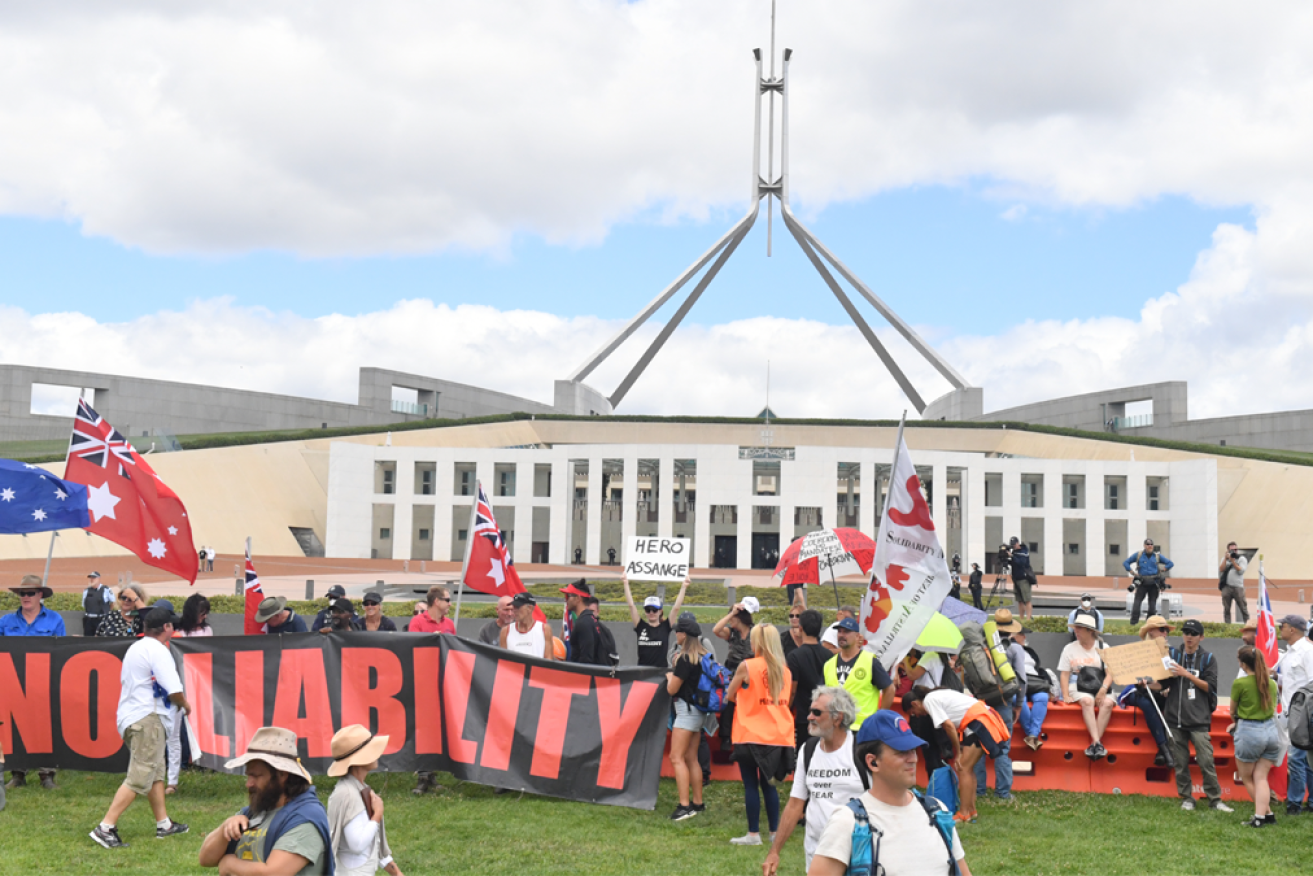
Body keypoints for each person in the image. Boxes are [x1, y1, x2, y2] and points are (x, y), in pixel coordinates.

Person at [807, 709, 970, 876]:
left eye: (913, 750)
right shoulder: (847, 822)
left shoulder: (937, 812)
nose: (913, 758)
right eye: (902, 752)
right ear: (873, 762)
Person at [90, 603, 192, 848]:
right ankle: (105, 827)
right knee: (141, 775)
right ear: (166, 628)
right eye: (172, 625)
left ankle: (164, 824)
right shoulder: (159, 651)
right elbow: (174, 690)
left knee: (156, 773)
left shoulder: (137, 647)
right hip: (148, 718)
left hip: (133, 716)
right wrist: (186, 706)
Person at [198, 726, 331, 875]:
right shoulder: (256, 811)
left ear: (282, 774)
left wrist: (229, 864)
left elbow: (274, 873)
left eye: (256, 776)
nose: (249, 783)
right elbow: (205, 859)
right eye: (248, 775)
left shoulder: (305, 819)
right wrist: (224, 829)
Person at [763, 687, 863, 876]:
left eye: (816, 712)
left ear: (838, 717)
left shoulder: (861, 751)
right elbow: (795, 804)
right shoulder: (808, 751)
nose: (809, 717)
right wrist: (774, 852)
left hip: (856, 852)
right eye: (810, 711)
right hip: (817, 851)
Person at [726, 624, 795, 846]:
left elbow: (730, 694)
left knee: (750, 784)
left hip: (750, 732)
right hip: (778, 735)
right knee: (770, 784)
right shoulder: (785, 670)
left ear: (758, 643)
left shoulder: (747, 666)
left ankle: (753, 834)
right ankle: (774, 832)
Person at [902, 686, 1009, 824]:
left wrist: (958, 753)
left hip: (978, 723)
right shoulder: (935, 696)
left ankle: (964, 813)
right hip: (981, 720)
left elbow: (949, 726)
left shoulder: (929, 701)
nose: (917, 715)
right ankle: (971, 810)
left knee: (963, 768)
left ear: (914, 704)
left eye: (913, 712)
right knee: (967, 769)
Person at [2, 574, 65, 791]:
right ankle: (17, 773)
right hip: (12, 683)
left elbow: (62, 652)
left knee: (44, 727)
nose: (25, 597)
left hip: (42, 682)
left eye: (30, 593)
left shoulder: (55, 620)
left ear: (40, 595)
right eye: (22, 593)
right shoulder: (5, 622)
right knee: (14, 728)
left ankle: (46, 773)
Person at [1163, 618, 1230, 812]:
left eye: (1193, 634)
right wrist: (1148, 683)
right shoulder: (1172, 654)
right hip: (1174, 718)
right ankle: (1186, 797)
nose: (1189, 637)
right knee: (1180, 761)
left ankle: (1215, 799)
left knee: (1206, 760)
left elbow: (1210, 687)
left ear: (1201, 637)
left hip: (1199, 719)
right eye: (1185, 633)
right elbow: (1164, 683)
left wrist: (1187, 674)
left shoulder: (1208, 658)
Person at [327, 725, 403, 876]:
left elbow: (371, 846)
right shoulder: (348, 794)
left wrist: (396, 872)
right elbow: (357, 844)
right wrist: (377, 814)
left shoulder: (357, 789)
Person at [665, 612, 716, 821]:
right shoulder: (704, 656)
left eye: (678, 631)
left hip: (686, 711)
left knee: (676, 757)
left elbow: (671, 689)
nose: (675, 634)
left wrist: (670, 675)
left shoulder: (685, 659)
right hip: (700, 711)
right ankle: (697, 802)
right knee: (692, 758)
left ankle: (685, 806)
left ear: (684, 635)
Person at [1230, 645, 1279, 826]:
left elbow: (1233, 710)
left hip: (1249, 731)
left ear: (1243, 664)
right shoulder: (1271, 683)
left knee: (1247, 778)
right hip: (1271, 731)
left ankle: (1261, 817)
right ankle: (1267, 816)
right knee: (1261, 777)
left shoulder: (1240, 683)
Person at [168, 594, 213, 794]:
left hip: (200, 682)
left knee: (200, 721)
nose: (203, 618)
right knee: (178, 727)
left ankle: (202, 759)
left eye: (206, 614)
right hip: (180, 682)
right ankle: (183, 761)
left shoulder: (207, 630)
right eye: (201, 613)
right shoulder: (177, 632)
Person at [822, 617, 895, 732]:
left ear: (857, 636)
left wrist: (880, 717)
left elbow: (889, 689)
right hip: (835, 728)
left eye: (846, 632)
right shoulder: (828, 664)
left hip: (862, 728)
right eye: (839, 631)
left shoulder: (870, 661)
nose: (841, 635)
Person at [1119, 616, 1175, 766]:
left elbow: (1169, 676)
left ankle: (1162, 752)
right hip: (1137, 690)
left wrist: (1166, 687)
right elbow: (1132, 675)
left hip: (1157, 689)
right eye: (1162, 630)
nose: (1165, 633)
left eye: (1167, 630)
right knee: (1147, 703)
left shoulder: (1169, 651)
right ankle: (1165, 750)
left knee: (1170, 703)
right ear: (1151, 631)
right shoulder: (1139, 651)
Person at [1058, 615, 1114, 759]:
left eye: (1079, 629)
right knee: (1087, 701)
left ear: (1090, 631)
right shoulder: (1069, 648)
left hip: (1100, 684)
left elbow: (1110, 673)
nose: (1076, 631)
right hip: (1078, 685)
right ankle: (1097, 742)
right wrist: (1065, 694)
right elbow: (1064, 674)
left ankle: (1095, 745)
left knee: (1107, 703)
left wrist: (1103, 689)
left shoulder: (1103, 647)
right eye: (1075, 628)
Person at [1275, 614, 1313, 815]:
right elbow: (1290, 681)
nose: (1281, 628)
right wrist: (1276, 677)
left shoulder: (1307, 651)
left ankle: (1295, 803)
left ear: (1293, 629)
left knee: (1296, 758)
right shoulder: (1289, 653)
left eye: (1283, 625)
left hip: (1304, 715)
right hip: (1291, 712)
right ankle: (1310, 802)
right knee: (1305, 759)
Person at [714, 596, 760, 757]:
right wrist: (730, 613)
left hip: (750, 674)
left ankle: (748, 737)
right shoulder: (732, 633)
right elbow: (716, 630)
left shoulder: (756, 633)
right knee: (729, 703)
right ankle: (726, 738)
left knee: (747, 706)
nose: (730, 619)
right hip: (732, 674)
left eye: (733, 616)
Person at [622, 572, 689, 668]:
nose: (651, 613)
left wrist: (684, 587)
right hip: (641, 672)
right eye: (648, 610)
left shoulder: (665, 626)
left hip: (660, 674)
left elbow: (676, 608)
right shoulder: (640, 626)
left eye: (654, 610)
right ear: (645, 611)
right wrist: (625, 583)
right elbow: (631, 606)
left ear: (660, 611)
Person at [785, 610, 832, 745]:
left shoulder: (794, 656)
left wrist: (786, 710)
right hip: (825, 713)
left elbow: (792, 690)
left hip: (803, 715)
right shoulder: (828, 655)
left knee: (803, 753)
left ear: (801, 628)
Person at [1008, 625, 1051, 750]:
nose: (1024, 637)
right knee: (1018, 699)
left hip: (1034, 680)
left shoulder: (1029, 651)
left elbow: (1038, 667)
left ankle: (1032, 735)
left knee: (1042, 697)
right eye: (1021, 634)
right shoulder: (1007, 649)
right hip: (1017, 681)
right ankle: (1032, 734)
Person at [1124, 538, 1174, 625]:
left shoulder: (1157, 556)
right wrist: (1132, 572)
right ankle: (1134, 623)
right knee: (1137, 603)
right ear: (1144, 545)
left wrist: (1164, 569)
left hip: (1154, 583)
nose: (1149, 546)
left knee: (1152, 605)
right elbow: (1126, 563)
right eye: (1147, 544)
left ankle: (1149, 624)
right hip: (1142, 582)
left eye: (1151, 544)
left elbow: (1170, 563)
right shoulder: (1139, 555)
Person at [499, 593, 553, 659]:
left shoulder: (544, 629)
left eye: (518, 607)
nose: (514, 611)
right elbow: (503, 661)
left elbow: (548, 660)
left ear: (530, 608)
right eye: (514, 607)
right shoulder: (505, 631)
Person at [565, 593, 610, 666]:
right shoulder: (599, 627)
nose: (567, 599)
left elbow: (586, 660)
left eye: (569, 596)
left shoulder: (585, 623)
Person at [1219, 541, 1250, 625]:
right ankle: (1227, 626)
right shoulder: (1224, 559)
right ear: (1228, 551)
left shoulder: (1241, 559)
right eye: (1232, 550)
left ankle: (1247, 625)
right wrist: (1226, 559)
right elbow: (1221, 569)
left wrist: (1233, 561)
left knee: (1243, 608)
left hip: (1238, 587)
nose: (1234, 551)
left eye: (1236, 549)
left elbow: (1241, 571)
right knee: (1226, 609)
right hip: (1227, 587)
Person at [1008, 537, 1035, 620]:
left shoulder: (1024, 551)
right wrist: (1006, 559)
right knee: (1019, 600)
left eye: (1014, 544)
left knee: (1027, 599)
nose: (1013, 546)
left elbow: (1021, 562)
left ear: (1018, 543)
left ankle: (1028, 618)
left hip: (1024, 579)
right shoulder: (1014, 552)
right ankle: (1021, 618)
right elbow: (1014, 563)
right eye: (1012, 545)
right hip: (1016, 579)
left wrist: (1012, 556)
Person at [81, 571, 114, 637]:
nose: (91, 579)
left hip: (101, 619)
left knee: (101, 639)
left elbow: (113, 602)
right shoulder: (86, 591)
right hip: (89, 620)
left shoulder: (106, 590)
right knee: (87, 640)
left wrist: (106, 612)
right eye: (90, 578)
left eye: (94, 577)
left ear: (98, 579)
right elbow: (84, 605)